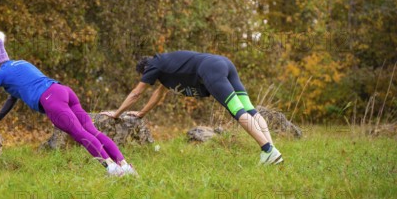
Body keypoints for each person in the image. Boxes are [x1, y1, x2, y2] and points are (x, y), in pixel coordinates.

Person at [0, 32, 137, 176]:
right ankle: (125, 166)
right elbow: (13, 96)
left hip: (51, 100)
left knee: (80, 134)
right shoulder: (20, 64)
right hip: (64, 91)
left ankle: (112, 169)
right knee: (92, 131)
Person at [102, 51, 283, 165]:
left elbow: (136, 93)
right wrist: (142, 113)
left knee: (237, 111)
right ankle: (273, 152)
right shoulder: (167, 66)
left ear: (145, 70)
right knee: (249, 109)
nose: (149, 79)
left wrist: (116, 113)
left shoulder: (154, 65)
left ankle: (267, 150)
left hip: (210, 69)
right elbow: (160, 94)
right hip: (223, 62)